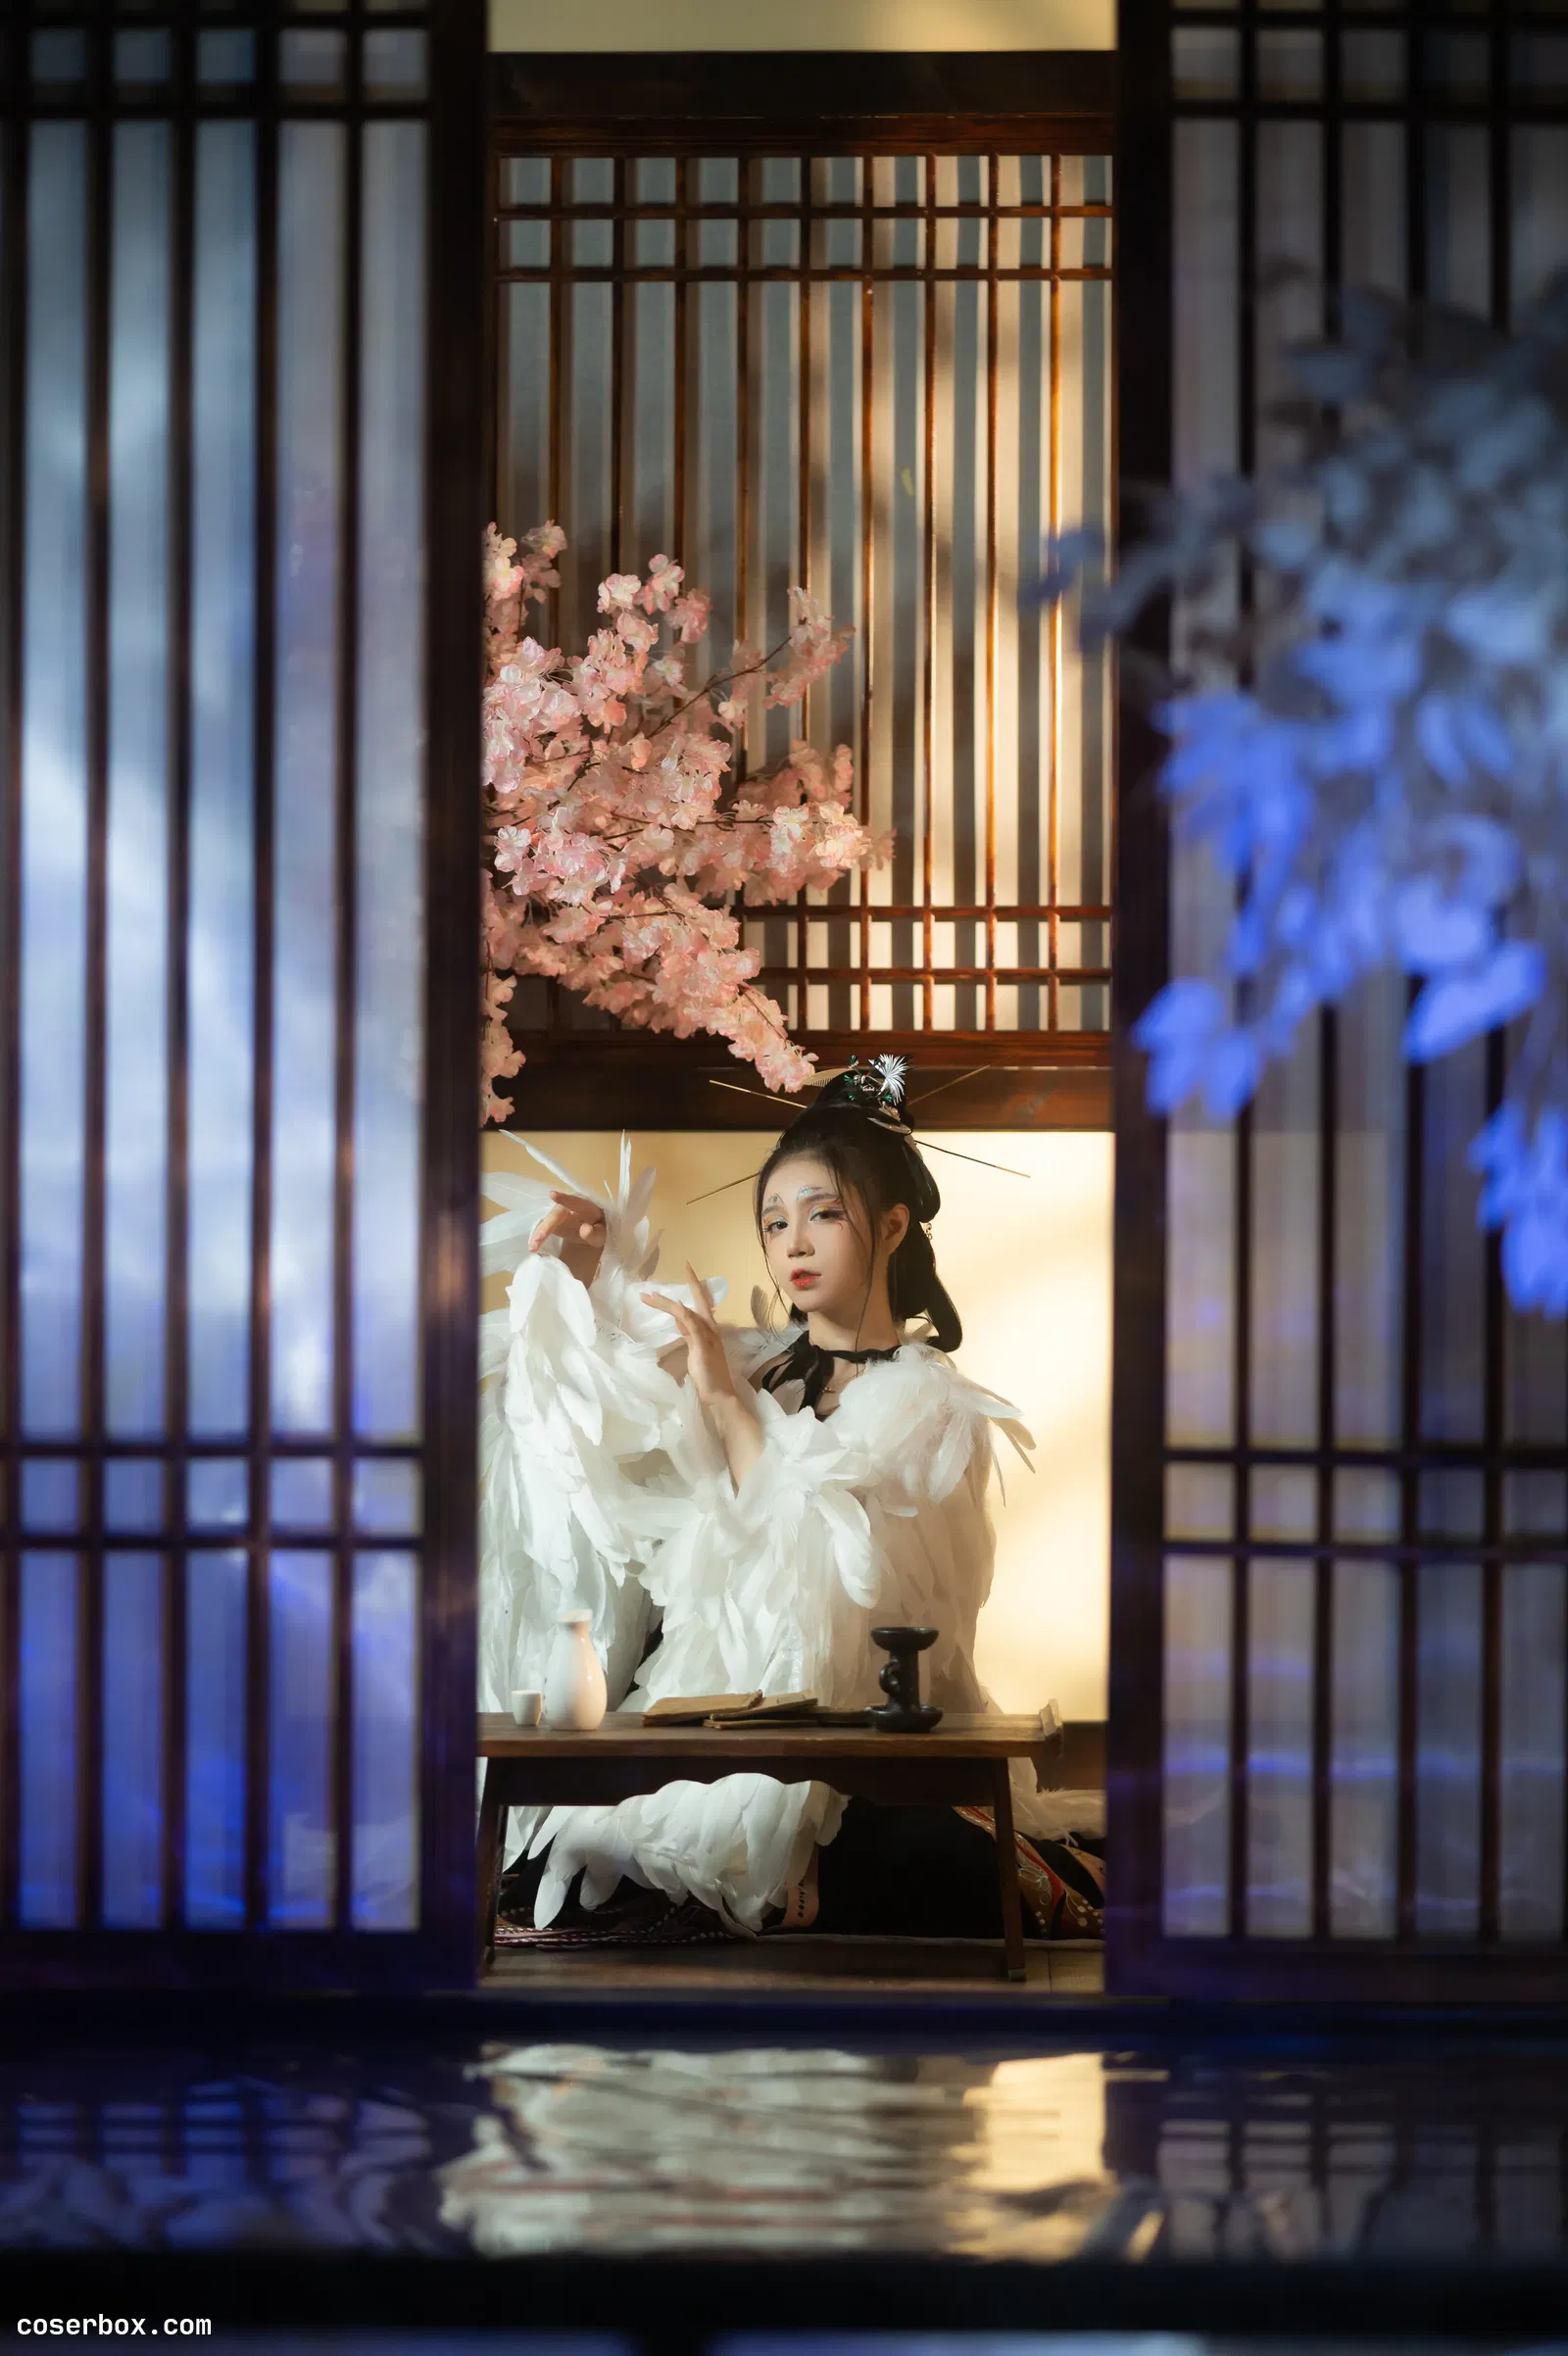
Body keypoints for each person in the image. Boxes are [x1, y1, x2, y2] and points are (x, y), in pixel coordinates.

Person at [478, 1058, 1102, 1939]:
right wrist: (587, 1272)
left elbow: (836, 1572)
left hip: (854, 1731)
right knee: (581, 1859)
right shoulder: (750, 1359)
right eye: (775, 1222)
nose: (793, 1244)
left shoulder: (934, 1406)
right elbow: (610, 1408)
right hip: (704, 1708)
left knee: (893, 1853)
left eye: (823, 1214)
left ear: (892, 1225)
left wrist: (726, 1407)